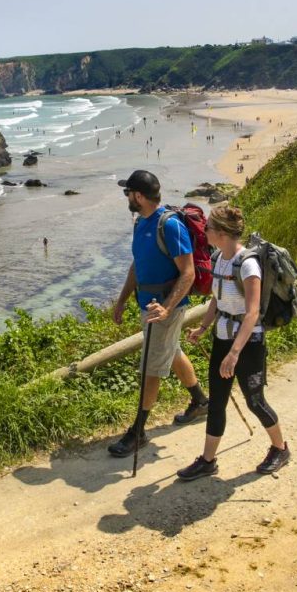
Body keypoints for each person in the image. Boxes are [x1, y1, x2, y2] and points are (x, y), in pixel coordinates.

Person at [177, 203, 290, 480]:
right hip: (222, 338)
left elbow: (252, 312)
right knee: (217, 401)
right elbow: (217, 298)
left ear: (223, 233)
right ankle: (207, 460)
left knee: (255, 401)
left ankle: (280, 448)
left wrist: (234, 353)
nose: (205, 231)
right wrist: (204, 327)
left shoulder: (248, 264)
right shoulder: (218, 258)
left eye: (210, 227)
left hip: (247, 344)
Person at [109, 170, 209, 458]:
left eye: (128, 192)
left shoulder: (170, 225)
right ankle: (200, 401)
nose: (126, 197)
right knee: (172, 352)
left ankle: (138, 432)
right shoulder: (141, 223)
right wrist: (122, 300)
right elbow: (137, 265)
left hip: (164, 310)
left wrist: (167, 308)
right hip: (147, 306)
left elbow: (188, 273)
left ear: (139, 196)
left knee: (151, 367)